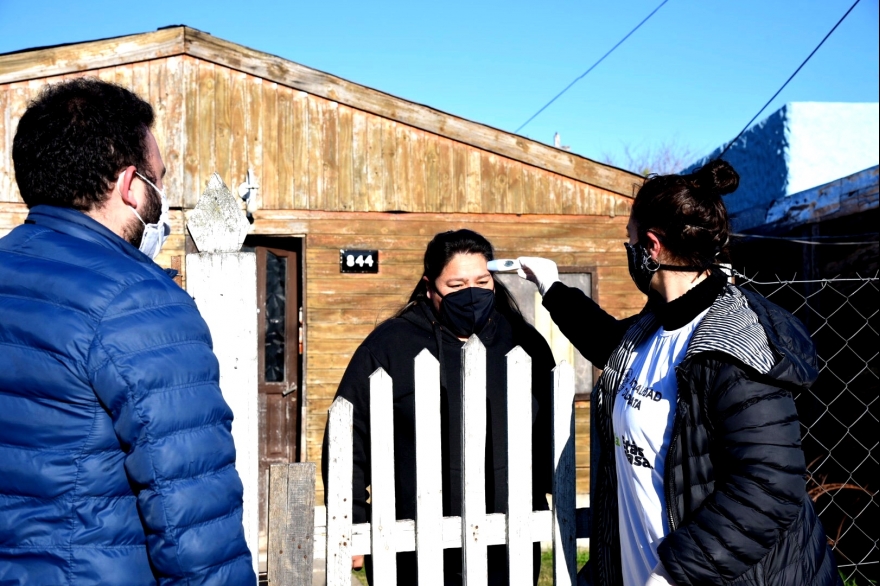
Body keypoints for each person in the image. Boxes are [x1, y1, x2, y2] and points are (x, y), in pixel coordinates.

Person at [516, 160, 841, 586]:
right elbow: (610, 343)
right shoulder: (655, 327)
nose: (627, 249)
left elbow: (770, 484)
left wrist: (673, 572)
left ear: (650, 247)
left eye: (628, 241)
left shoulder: (730, 346)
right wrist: (552, 287)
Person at [0, 78, 255, 584]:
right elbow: (190, 515)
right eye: (158, 178)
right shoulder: (138, 301)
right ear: (130, 185)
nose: (162, 195)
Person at [322, 229, 556, 585]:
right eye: (457, 285)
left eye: (482, 281)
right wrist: (354, 520)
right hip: (410, 536)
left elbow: (550, 428)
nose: (472, 294)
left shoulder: (523, 342)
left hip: (508, 533)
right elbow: (349, 437)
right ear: (430, 286)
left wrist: (548, 498)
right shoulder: (389, 346)